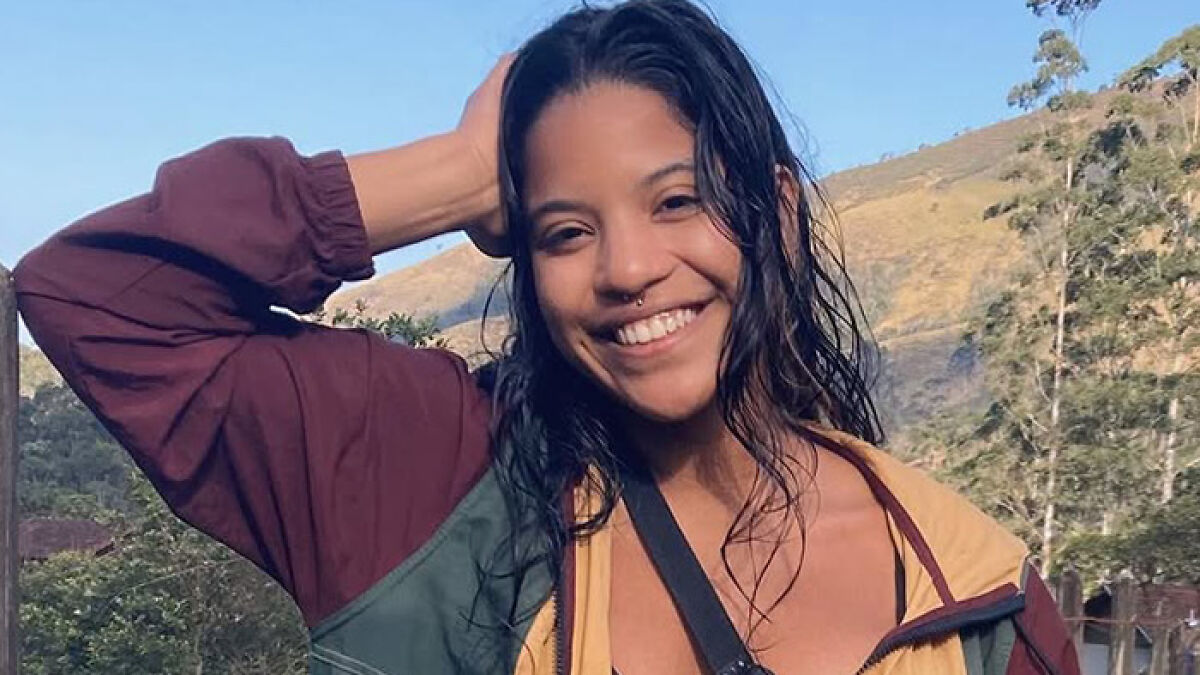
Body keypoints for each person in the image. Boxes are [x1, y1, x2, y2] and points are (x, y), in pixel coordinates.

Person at [15, 1, 1080, 673]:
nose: (624, 270)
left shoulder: (973, 595)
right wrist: (460, 172)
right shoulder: (430, 481)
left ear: (781, 218)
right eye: (564, 229)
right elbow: (91, 296)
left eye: (677, 202)